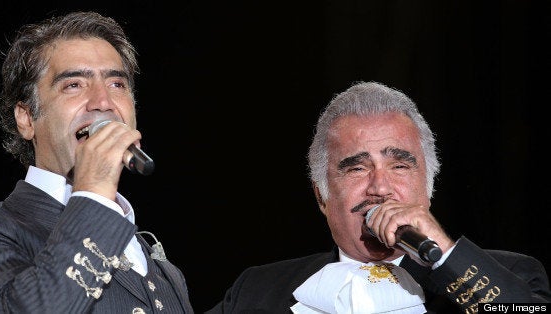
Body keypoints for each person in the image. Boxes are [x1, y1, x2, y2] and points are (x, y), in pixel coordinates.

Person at [0, 11, 194, 313]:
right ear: (26, 119)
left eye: (117, 84)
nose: (103, 101)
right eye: (74, 85)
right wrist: (94, 192)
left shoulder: (163, 269)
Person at [207, 81, 551, 313]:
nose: (380, 187)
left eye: (399, 166)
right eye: (356, 169)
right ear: (321, 197)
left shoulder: (511, 274)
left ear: (427, 188)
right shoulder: (257, 291)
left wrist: (445, 255)